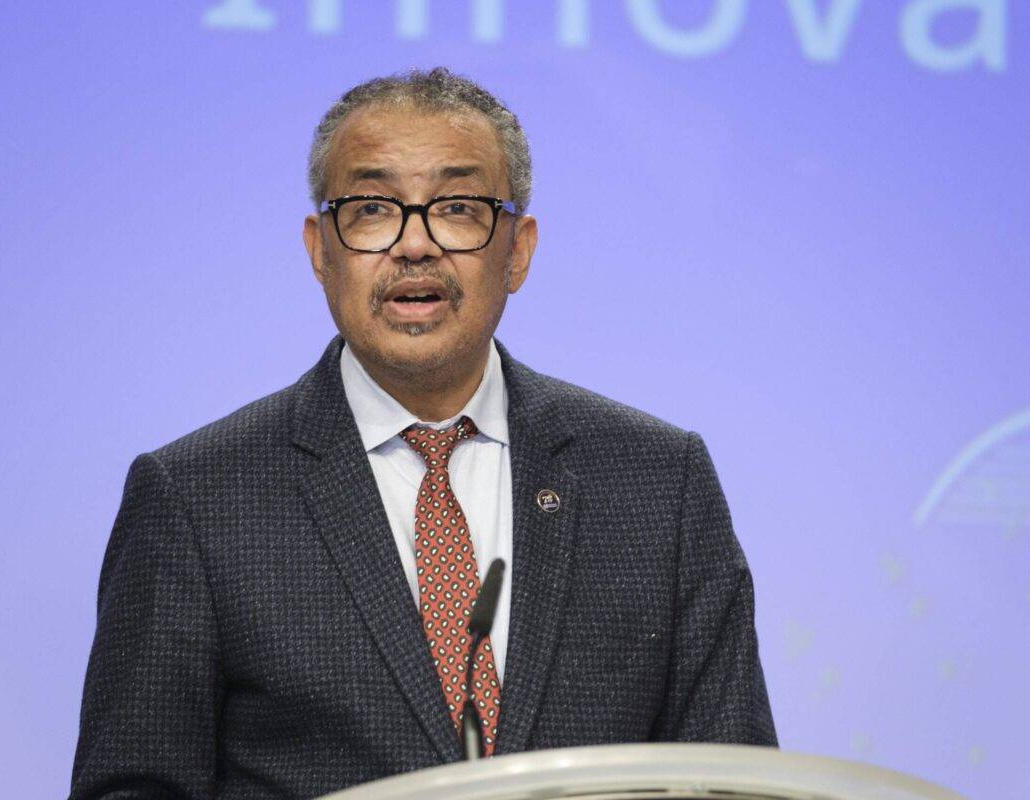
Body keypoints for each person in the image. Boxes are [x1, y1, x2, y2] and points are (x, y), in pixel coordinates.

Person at [70, 67, 776, 800]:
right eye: (373, 208)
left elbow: (735, 781)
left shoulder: (659, 481)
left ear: (519, 250)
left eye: (459, 208)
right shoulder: (197, 497)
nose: (415, 246)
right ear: (320, 249)